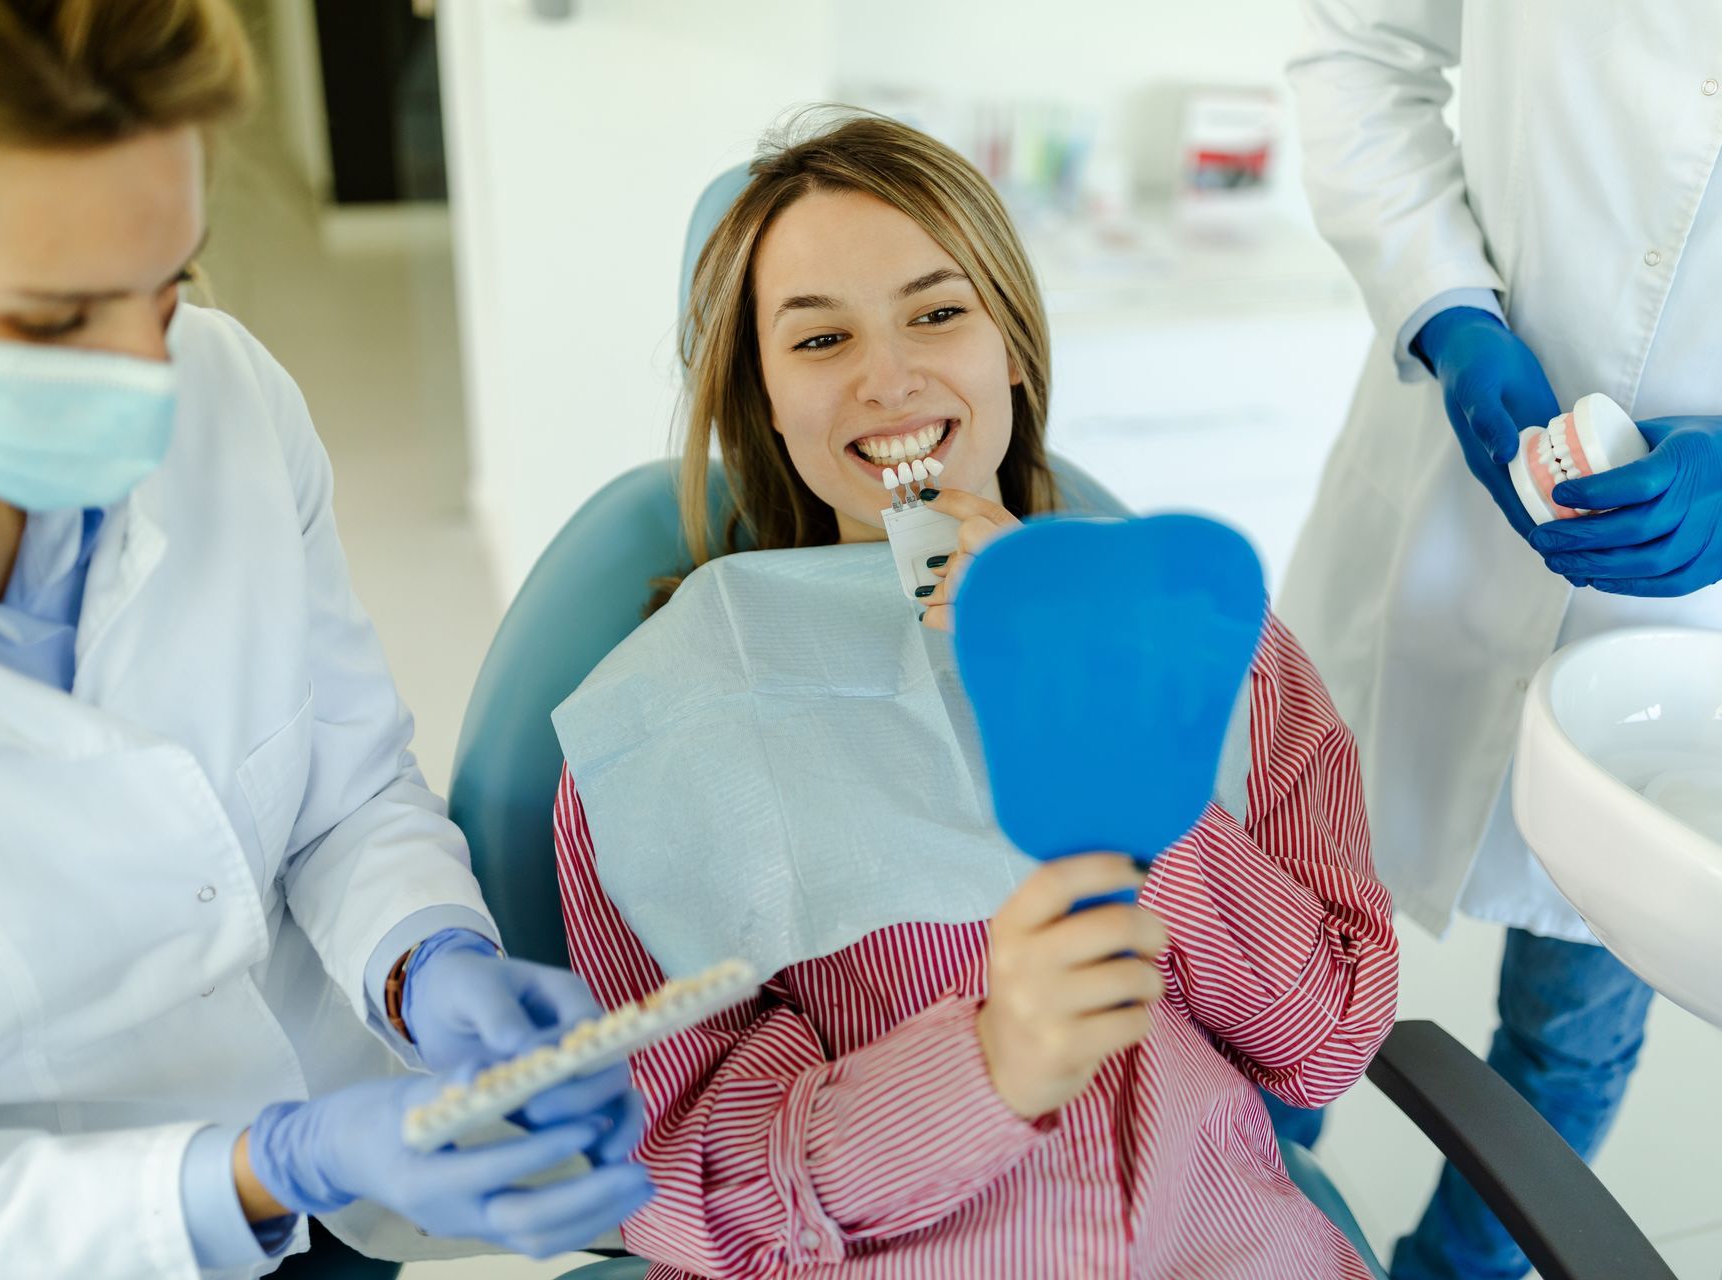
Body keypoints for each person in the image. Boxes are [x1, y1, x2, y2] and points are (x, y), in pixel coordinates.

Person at [548, 113, 1400, 1279]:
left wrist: (1099, 716)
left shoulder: (1206, 642)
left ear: (1010, 341)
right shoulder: (669, 720)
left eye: (938, 311)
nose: (887, 377)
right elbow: (683, 1186)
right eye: (818, 338)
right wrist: (987, 1067)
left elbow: (1326, 1037)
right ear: (764, 394)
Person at [0, 3, 652, 1274]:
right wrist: (267, 1163)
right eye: (59, 321)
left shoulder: (226, 392)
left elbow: (341, 786)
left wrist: (428, 957)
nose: (151, 368)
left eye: (169, 280)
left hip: (334, 1193)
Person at [1278, 3, 1722, 1276]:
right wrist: (1446, 309)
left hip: (1715, 618)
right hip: (1437, 511)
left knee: (1571, 1024)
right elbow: (1356, 44)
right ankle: (1235, 1216)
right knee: (1282, 942)